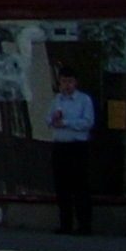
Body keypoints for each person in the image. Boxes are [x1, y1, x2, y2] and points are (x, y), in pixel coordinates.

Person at [47, 64, 97, 234]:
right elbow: (48, 120)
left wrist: (66, 123)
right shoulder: (56, 100)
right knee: (62, 187)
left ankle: (84, 225)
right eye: (63, 82)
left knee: (80, 187)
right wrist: (53, 120)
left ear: (75, 83)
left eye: (69, 81)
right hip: (60, 147)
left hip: (77, 148)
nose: (66, 85)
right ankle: (65, 224)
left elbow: (87, 122)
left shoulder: (84, 100)